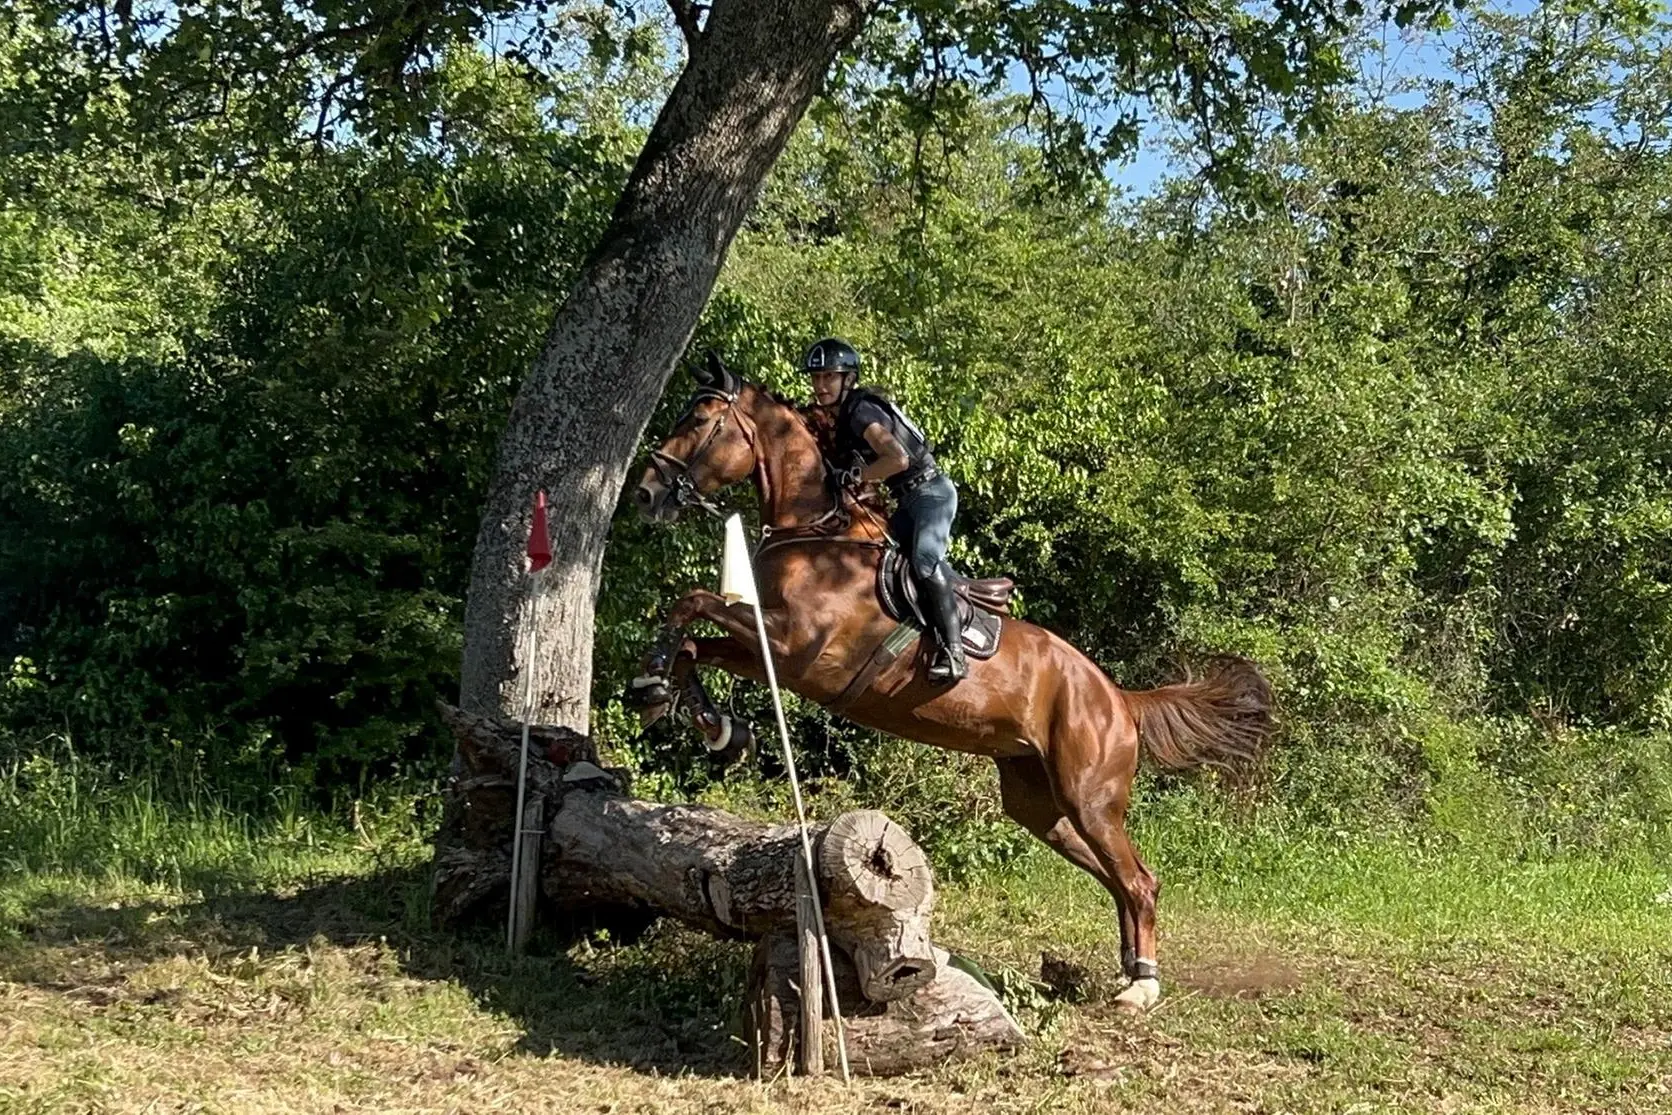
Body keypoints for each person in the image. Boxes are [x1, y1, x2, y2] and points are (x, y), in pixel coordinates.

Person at [803, 337, 967, 683]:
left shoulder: (861, 411)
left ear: (848, 379)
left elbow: (898, 458)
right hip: (907, 501)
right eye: (816, 378)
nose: (819, 386)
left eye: (828, 377)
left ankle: (954, 651)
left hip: (931, 494)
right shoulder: (845, 415)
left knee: (923, 562)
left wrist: (856, 474)